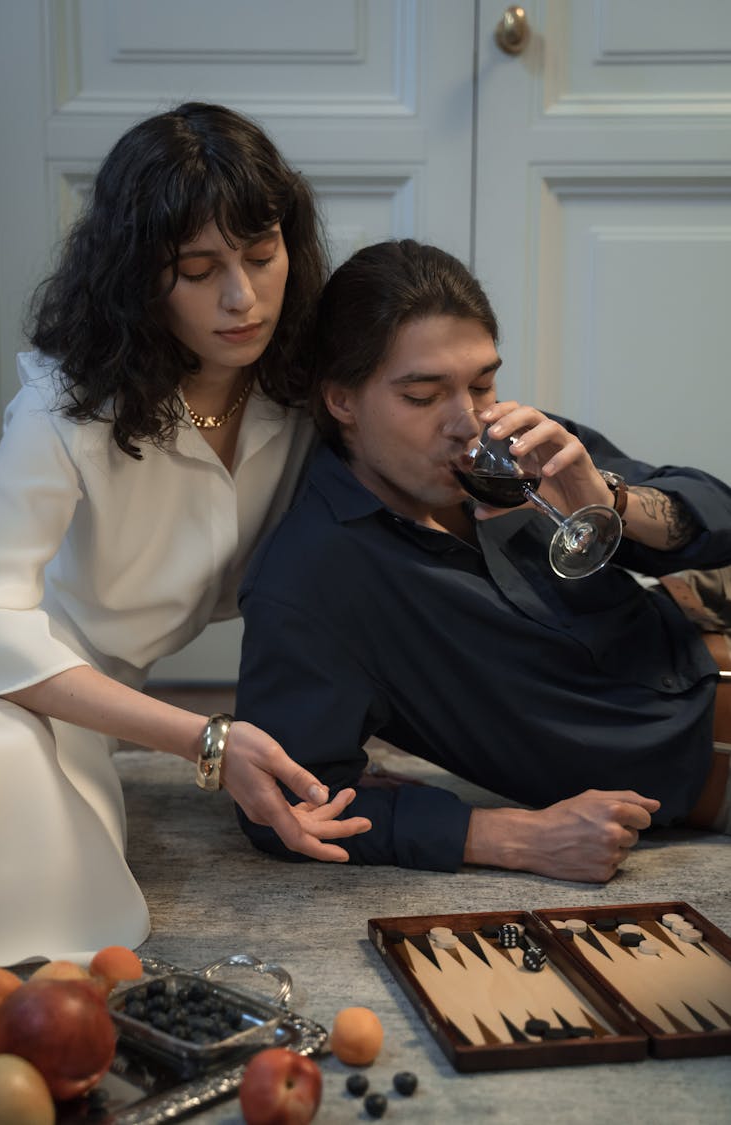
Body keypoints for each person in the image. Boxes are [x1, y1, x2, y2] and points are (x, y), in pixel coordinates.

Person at [0, 102, 370, 967]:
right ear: (139, 280)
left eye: (262, 255)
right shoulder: (66, 407)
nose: (243, 297)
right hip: (25, 686)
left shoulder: (300, 382)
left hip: (108, 706)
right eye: (200, 270)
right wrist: (202, 739)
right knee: (3, 790)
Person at [233, 239, 731, 882]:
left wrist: (606, 498)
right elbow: (286, 804)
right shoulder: (312, 578)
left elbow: (718, 519)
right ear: (342, 400)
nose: (467, 422)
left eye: (483, 382)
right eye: (423, 395)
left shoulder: (517, 448)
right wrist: (511, 836)